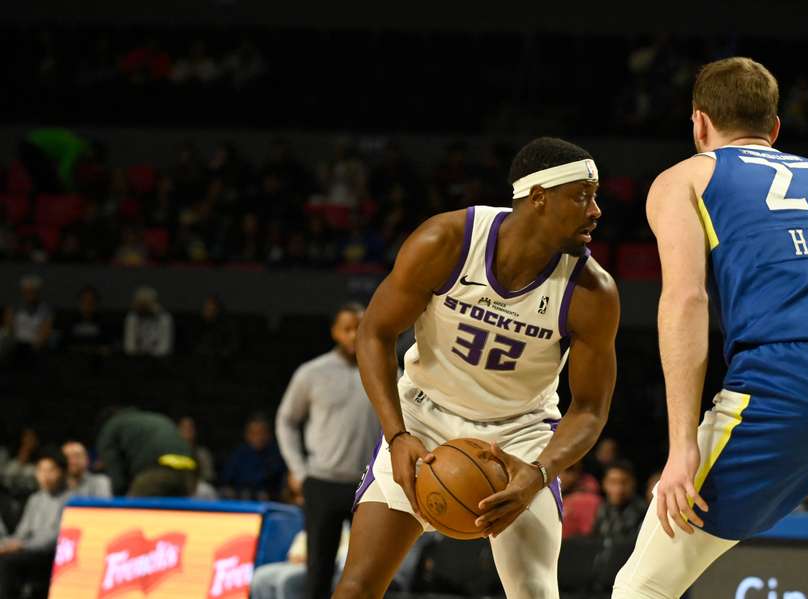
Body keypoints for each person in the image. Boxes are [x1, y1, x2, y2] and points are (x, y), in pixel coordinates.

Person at [613, 57, 808, 599]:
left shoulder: (685, 177)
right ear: (775, 129)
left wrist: (679, 449)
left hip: (788, 377)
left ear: (699, 124)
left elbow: (686, 300)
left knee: (643, 587)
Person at [333, 136, 620, 599]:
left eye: (596, 197)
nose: (596, 211)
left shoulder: (592, 292)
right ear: (539, 198)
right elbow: (373, 333)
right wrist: (397, 435)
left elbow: (589, 409)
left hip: (518, 435)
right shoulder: (446, 241)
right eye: (582, 196)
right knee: (356, 587)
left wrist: (540, 471)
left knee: (534, 592)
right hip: (424, 417)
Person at [275, 302, 380, 599]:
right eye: (346, 328)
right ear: (335, 331)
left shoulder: (387, 371)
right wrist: (298, 469)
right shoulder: (311, 373)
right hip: (322, 482)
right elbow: (286, 421)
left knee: (369, 573)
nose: (353, 335)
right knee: (318, 571)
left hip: (369, 485)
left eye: (359, 327)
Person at [0, 447, 70, 599]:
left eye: (51, 470)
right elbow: (22, 532)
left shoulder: (71, 499)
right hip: (27, 551)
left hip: (52, 554)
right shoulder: (35, 499)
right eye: (41, 470)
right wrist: (6, 545)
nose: (45, 476)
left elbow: (56, 537)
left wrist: (22, 545)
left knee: (6, 563)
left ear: (63, 472)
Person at [96, 407, 197, 496]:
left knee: (130, 512)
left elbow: (114, 465)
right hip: (188, 473)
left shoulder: (112, 425)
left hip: (158, 470)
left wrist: (120, 496)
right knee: (179, 513)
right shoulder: (156, 418)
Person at [221, 413, 285, 501]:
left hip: (268, 501)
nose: (258, 437)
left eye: (261, 433)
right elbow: (227, 480)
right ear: (247, 435)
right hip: (240, 499)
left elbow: (278, 485)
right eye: (253, 433)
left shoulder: (276, 454)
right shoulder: (239, 454)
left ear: (269, 435)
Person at [123, 286, 174, 357]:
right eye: (141, 304)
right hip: (136, 358)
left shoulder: (164, 318)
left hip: (158, 359)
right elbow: (129, 345)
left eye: (146, 304)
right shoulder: (132, 317)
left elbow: (164, 346)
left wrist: (154, 355)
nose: (144, 307)